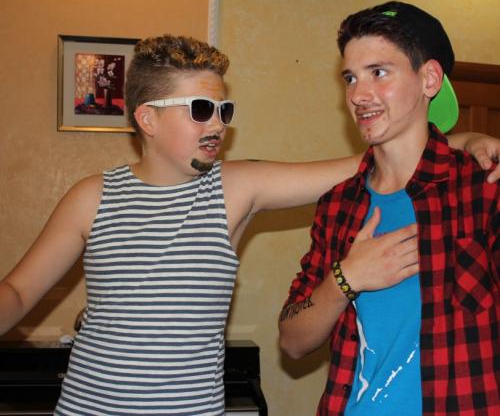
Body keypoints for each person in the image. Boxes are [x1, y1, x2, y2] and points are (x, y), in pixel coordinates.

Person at [0, 34, 498, 415]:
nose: (218, 124)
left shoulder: (233, 188)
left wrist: (463, 140)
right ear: (147, 119)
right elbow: (19, 294)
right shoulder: (92, 197)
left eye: (224, 109)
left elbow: (364, 163)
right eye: (200, 110)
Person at [278, 1, 500, 416]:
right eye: (350, 78)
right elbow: (292, 341)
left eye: (379, 72)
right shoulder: (338, 204)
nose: (358, 95)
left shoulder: (482, 190)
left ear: (429, 79)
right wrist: (346, 279)